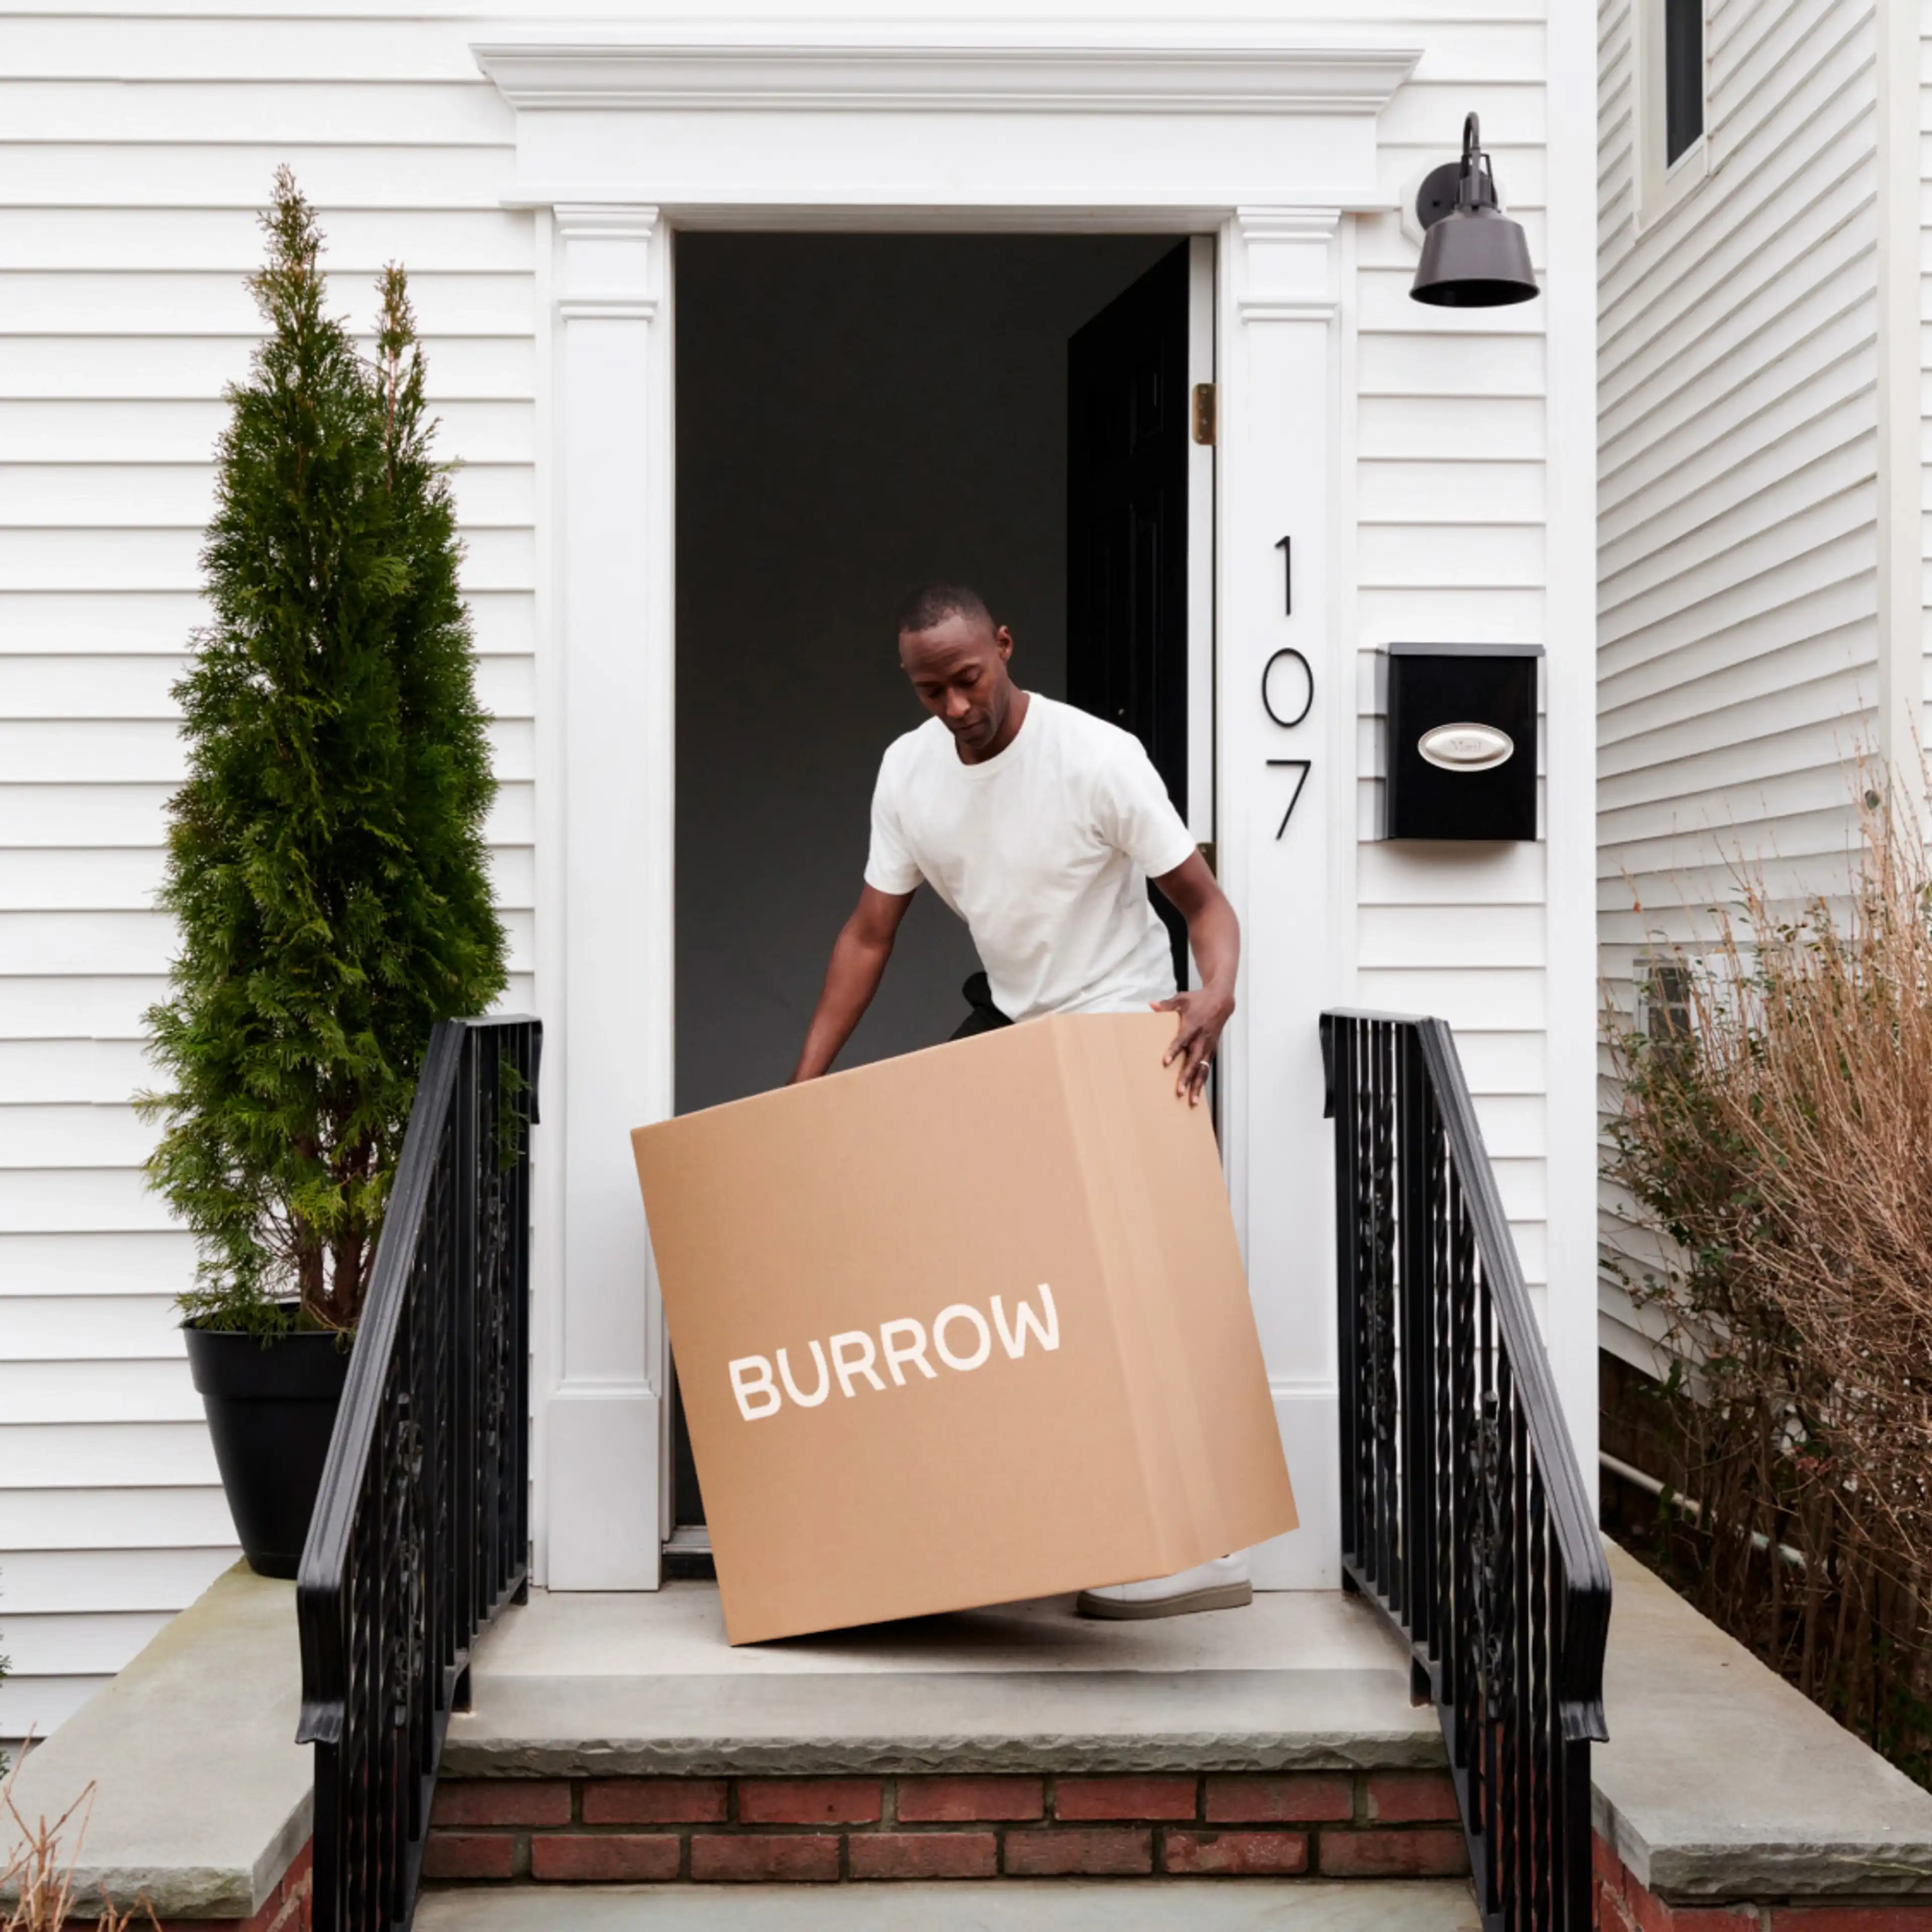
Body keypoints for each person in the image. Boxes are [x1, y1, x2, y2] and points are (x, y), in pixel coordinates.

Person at [790, 582, 1250, 1620]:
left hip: (1127, 1026)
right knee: (961, 1273)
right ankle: (988, 1524)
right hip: (1012, 1020)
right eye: (930, 691)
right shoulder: (908, 775)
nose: (955, 707)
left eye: (969, 680)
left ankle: (1186, 1545)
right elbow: (870, 933)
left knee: (1129, 1283)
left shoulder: (1096, 759)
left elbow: (1205, 906)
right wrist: (804, 1086)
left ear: (1003, 648)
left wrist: (1215, 997)